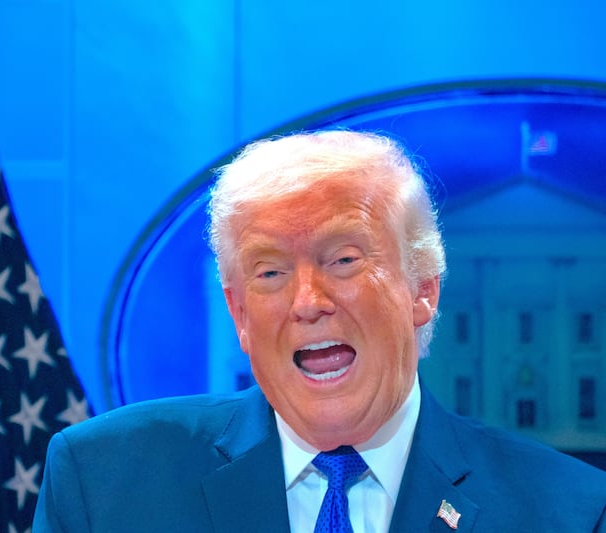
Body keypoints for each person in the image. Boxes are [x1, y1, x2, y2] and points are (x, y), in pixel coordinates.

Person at [33, 130, 606, 532]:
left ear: (423, 289)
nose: (307, 302)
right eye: (271, 272)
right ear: (238, 313)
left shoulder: (569, 511)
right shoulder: (103, 484)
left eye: (344, 260)